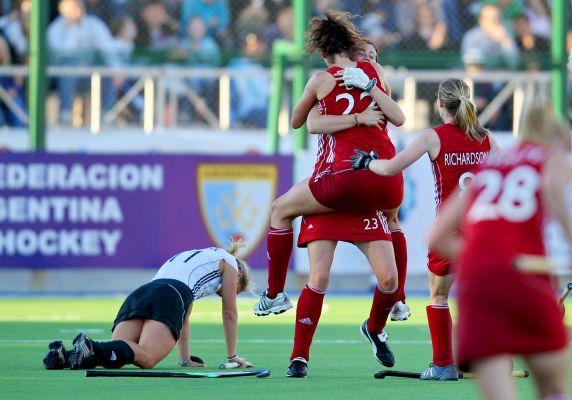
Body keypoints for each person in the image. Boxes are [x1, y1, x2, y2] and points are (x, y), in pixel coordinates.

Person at [428, 105, 572, 400]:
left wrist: (482, 260)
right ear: (557, 138)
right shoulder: (550, 157)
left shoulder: (489, 164)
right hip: (525, 283)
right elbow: (554, 185)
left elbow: (436, 235)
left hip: (477, 287)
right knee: (554, 390)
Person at [253, 12, 406, 320]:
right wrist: (364, 104)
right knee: (392, 221)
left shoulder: (321, 79)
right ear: (350, 45)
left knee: (280, 210)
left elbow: (298, 122)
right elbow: (396, 117)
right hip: (386, 171)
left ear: (323, 52)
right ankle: (398, 299)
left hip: (342, 175)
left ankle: (275, 294)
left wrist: (322, 104)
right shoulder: (374, 71)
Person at [352, 78, 498, 380]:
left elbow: (390, 168)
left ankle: (443, 365)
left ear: (440, 104)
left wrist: (366, 162)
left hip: (450, 232)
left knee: (439, 296)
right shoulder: (486, 138)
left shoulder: (434, 137)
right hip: (483, 231)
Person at [43, 244, 252, 370]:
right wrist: (232, 356)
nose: (230, 293)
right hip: (170, 295)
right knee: (148, 357)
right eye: (237, 289)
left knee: (116, 352)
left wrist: (185, 359)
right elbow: (229, 312)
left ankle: (65, 355)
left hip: (143, 292)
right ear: (239, 275)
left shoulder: (198, 258)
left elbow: (184, 318)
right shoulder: (230, 263)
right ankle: (91, 345)